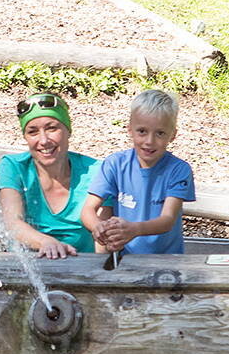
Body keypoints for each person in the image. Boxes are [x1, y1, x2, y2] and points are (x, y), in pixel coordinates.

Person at [81, 89, 195, 255]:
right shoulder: (115, 164)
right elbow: (88, 210)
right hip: (122, 259)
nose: (149, 141)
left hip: (167, 260)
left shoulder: (179, 170)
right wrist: (98, 227)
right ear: (130, 130)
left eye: (160, 133)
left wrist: (134, 229)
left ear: (173, 135)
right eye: (142, 131)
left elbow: (167, 220)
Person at [0, 93, 99, 258]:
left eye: (52, 128)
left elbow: (102, 240)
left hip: (85, 269)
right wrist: (46, 242)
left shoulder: (95, 171)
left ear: (68, 131)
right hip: (30, 270)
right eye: (33, 132)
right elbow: (12, 222)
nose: (43, 140)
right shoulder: (14, 166)